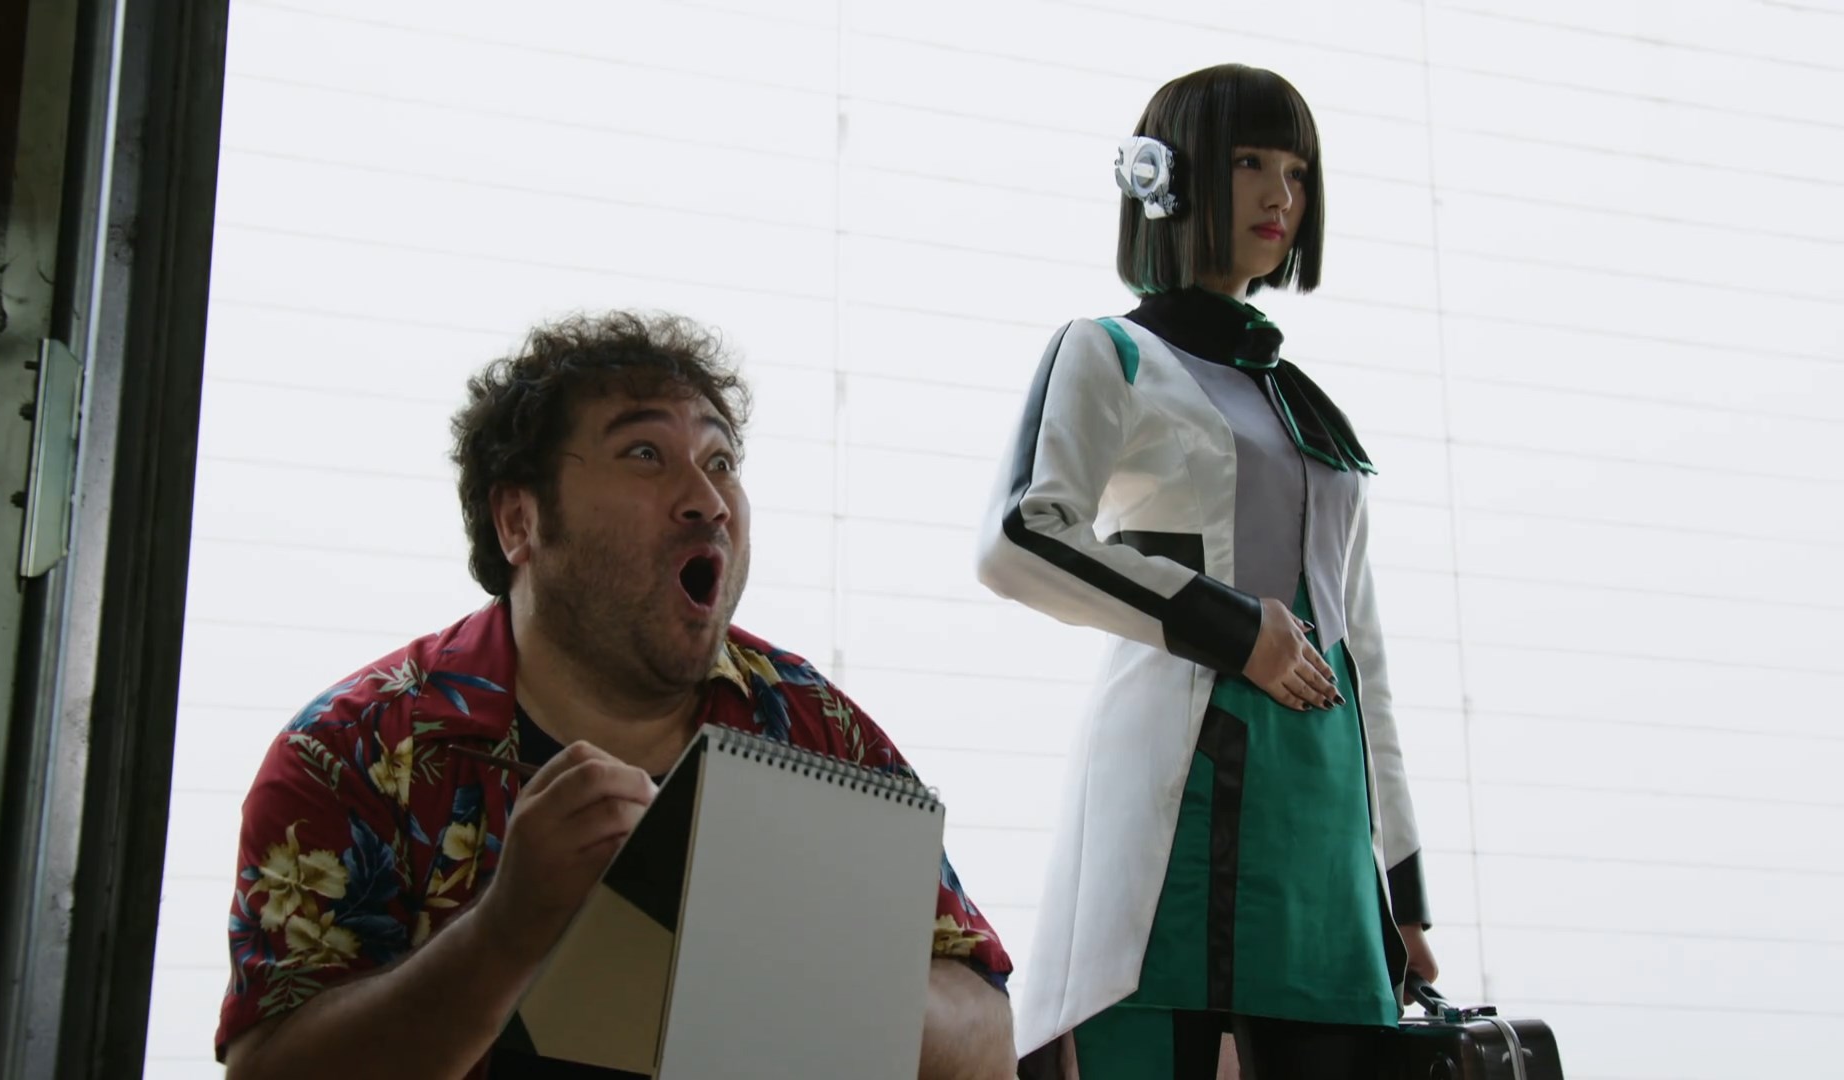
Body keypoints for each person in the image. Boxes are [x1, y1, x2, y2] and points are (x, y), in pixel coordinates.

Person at [217, 311, 1017, 1079]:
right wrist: (504, 932)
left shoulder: (816, 729)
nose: (707, 499)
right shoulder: (351, 751)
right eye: (644, 453)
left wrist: (808, 973)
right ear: (519, 521)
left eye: (721, 461)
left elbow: (987, 1038)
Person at [976, 65, 1439, 1079]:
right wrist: (1236, 629)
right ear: (1171, 176)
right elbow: (1018, 537)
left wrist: (1403, 891)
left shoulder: (1307, 406)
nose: (1282, 195)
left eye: (1297, 172)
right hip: (1182, 793)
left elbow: (1363, 656)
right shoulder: (1112, 352)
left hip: (1323, 831)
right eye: (1250, 163)